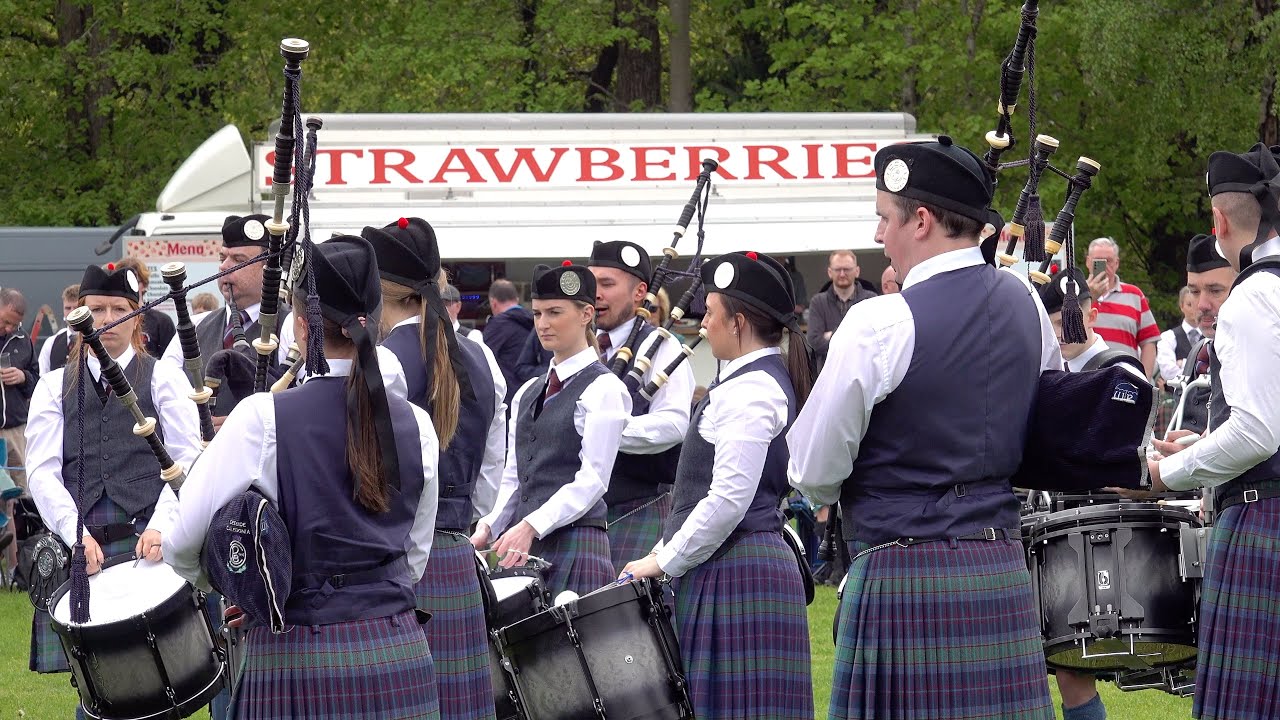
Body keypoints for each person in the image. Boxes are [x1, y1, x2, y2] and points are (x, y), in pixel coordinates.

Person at [787, 136, 1061, 719]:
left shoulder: (878, 322)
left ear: (923, 220)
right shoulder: (1026, 305)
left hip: (902, 573)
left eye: (885, 218)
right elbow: (1046, 414)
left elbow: (812, 470)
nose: (879, 235)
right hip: (1001, 570)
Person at [164, 235, 443, 719]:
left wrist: (240, 586)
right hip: (397, 647)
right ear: (376, 321)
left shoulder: (261, 417)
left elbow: (181, 542)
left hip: (295, 650)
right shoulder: (416, 423)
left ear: (299, 323)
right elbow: (414, 555)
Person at [620, 250, 815, 719]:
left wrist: (661, 560)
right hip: (735, 567)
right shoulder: (749, 382)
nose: (703, 323)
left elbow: (728, 500)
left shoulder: (751, 391)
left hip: (739, 571)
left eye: (710, 313)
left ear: (739, 322)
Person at [1137, 143, 1280, 720]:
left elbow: (1257, 432)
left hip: (1263, 524)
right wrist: (1207, 441)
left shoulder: (1252, 296)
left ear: (1219, 220)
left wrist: (1164, 473)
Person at [25, 265, 201, 710]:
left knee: (160, 680)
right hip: (85, 541)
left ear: (137, 316)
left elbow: (186, 459)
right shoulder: (51, 387)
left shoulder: (162, 378)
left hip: (149, 539)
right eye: (95, 309)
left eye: (119, 309)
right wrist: (75, 534)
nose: (107, 320)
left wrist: (163, 525)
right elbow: (42, 471)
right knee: (96, 683)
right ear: (77, 317)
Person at [367, 217, 506, 720]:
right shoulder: (483, 357)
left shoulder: (382, 363)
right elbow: (490, 480)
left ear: (379, 292)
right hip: (456, 559)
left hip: (398, 566)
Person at [471, 263, 629, 597]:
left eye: (555, 312)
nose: (543, 324)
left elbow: (594, 480)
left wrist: (530, 525)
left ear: (586, 313)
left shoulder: (605, 388)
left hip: (578, 544)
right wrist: (488, 526)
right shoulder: (528, 391)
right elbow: (514, 477)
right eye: (538, 313)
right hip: (527, 547)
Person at [587, 240, 693, 572]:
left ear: (640, 293)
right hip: (582, 513)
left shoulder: (660, 346)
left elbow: (675, 424)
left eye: (607, 284)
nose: (596, 294)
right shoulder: (581, 347)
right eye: (592, 284)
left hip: (639, 504)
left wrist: (609, 431)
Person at [160, 214, 293, 427]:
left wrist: (238, 426)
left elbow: (303, 402)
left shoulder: (291, 327)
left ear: (269, 268)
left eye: (239, 260)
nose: (224, 267)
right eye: (223, 258)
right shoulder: (193, 327)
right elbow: (165, 395)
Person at [1167, 234, 1237, 435]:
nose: (1202, 305)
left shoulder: (1264, 351)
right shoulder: (1199, 352)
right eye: (1194, 292)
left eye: (1215, 290)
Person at [1084, 237, 1160, 377]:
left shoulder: (1134, 295)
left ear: (1117, 263)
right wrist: (1089, 297)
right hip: (1085, 378)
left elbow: (1149, 342)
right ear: (1088, 262)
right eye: (1099, 261)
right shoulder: (1075, 295)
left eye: (1109, 261)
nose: (1105, 266)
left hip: (1125, 381)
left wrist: (1144, 378)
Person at [807, 250, 877, 371]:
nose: (842, 274)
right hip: (829, 376)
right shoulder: (818, 302)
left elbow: (875, 341)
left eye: (847, 269)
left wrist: (831, 335)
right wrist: (856, 336)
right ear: (830, 272)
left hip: (863, 375)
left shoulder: (871, 300)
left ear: (857, 271)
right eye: (838, 269)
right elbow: (814, 343)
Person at [481, 279, 534, 404]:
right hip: (534, 393)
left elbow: (483, 361)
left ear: (493, 303)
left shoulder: (497, 325)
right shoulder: (535, 322)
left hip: (508, 397)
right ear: (516, 299)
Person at [114, 257, 176, 359]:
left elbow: (171, 362)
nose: (128, 286)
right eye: (122, 281)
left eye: (134, 281)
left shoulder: (162, 322)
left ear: (144, 284)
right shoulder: (110, 320)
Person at [1155, 286, 1203, 384]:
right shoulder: (1168, 337)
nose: (1194, 309)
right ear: (1181, 306)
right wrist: (1201, 370)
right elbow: (1168, 373)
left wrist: (1183, 363)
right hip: (1177, 397)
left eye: (1197, 304)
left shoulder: (1212, 337)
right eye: (1189, 304)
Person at [37, 284, 80, 374]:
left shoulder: (96, 341)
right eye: (68, 308)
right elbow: (42, 377)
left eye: (76, 308)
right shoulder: (51, 343)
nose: (71, 313)